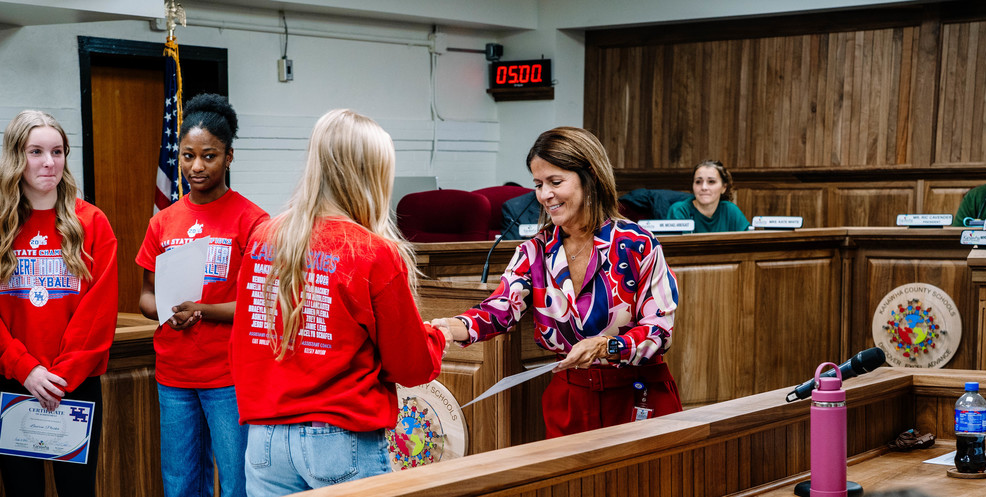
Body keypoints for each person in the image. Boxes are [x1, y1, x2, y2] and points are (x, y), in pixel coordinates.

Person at [231, 109, 449, 496]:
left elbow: (245, 343)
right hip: (339, 439)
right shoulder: (372, 252)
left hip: (264, 439)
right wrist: (436, 337)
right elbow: (411, 366)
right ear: (371, 175)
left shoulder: (265, 238)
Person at [433, 126, 681, 438]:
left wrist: (608, 346)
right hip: (571, 401)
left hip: (637, 395)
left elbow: (660, 329)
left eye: (555, 182)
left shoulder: (636, 243)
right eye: (538, 184)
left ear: (589, 176)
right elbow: (497, 311)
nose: (544, 194)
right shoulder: (535, 251)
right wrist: (449, 327)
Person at [136, 94, 268, 497]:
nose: (196, 166)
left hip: (228, 376)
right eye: (189, 156)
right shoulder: (164, 221)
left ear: (229, 157)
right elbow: (144, 296)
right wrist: (167, 311)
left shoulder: (253, 221)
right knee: (179, 483)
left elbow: (257, 304)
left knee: (235, 483)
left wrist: (203, 311)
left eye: (209, 156)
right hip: (173, 375)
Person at [0, 111, 117, 495]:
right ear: (16, 156)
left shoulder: (92, 222)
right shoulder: (2, 223)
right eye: (36, 151)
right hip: (11, 382)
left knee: (77, 491)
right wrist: (26, 368)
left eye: (57, 151)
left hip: (75, 385)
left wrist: (62, 376)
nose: (49, 162)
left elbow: (99, 310)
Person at [666, 160, 750, 232]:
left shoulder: (731, 210)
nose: (704, 187)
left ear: (724, 187)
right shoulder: (679, 211)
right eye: (698, 182)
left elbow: (749, 242)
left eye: (711, 182)